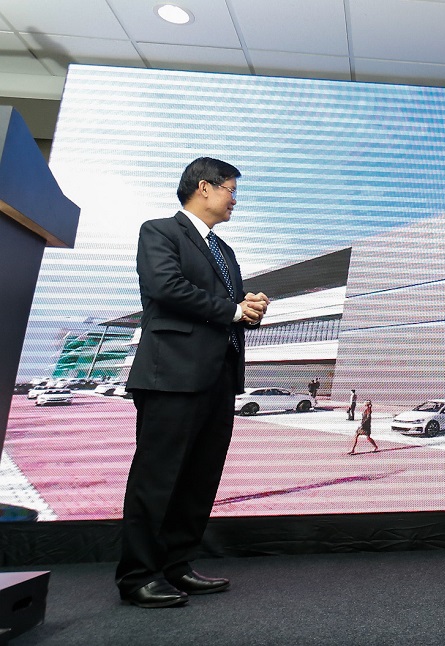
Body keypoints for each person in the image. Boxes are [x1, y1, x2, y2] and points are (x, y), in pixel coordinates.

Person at [117, 157, 270, 608]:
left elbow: (230, 308)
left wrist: (250, 308)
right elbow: (166, 287)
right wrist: (233, 309)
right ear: (205, 187)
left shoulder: (225, 250)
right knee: (158, 478)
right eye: (231, 190)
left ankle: (177, 565)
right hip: (172, 376)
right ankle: (138, 576)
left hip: (219, 376)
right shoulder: (160, 231)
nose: (235, 200)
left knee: (200, 479)